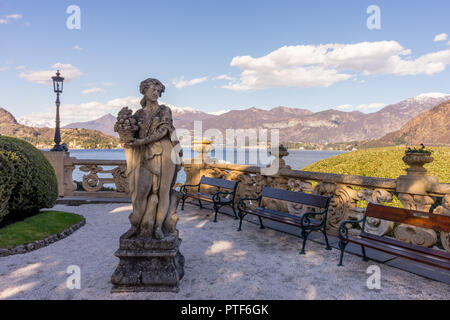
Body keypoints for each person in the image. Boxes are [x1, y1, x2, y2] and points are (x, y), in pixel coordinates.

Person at [120, 78, 181, 239]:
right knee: (140, 192)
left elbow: (162, 132)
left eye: (157, 91)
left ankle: (158, 227)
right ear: (144, 91)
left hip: (165, 153)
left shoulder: (164, 110)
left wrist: (141, 141)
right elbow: (130, 133)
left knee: (163, 192)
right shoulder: (138, 114)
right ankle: (136, 225)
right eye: (152, 90)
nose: (155, 93)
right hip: (144, 155)